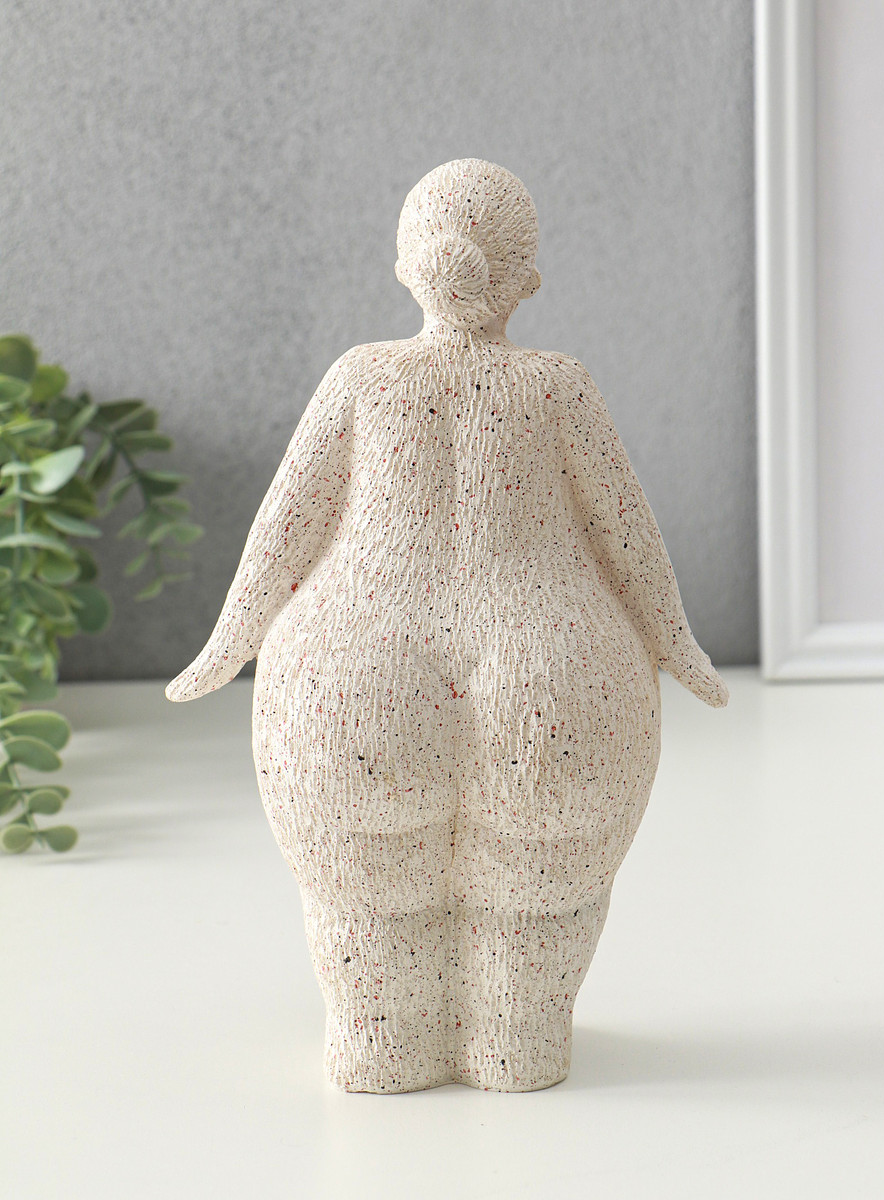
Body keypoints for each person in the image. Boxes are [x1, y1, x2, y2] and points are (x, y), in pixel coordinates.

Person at [167, 158, 728, 1092]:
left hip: (355, 670)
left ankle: (381, 1052)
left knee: (362, 906)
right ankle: (521, 1051)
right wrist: (678, 646)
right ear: (528, 281)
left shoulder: (362, 376)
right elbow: (627, 536)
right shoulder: (559, 386)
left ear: (405, 269)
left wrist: (228, 645)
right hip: (557, 670)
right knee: (544, 902)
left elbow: (285, 529)